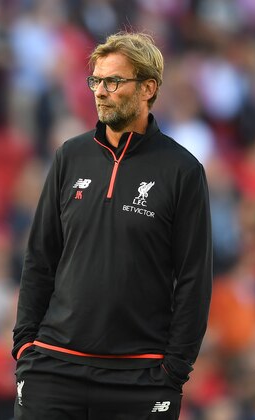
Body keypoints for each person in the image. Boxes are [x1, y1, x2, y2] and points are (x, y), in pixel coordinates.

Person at [12, 31, 212, 419]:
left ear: (148, 88)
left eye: (114, 81)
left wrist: (174, 370)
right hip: (53, 366)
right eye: (96, 81)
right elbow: (40, 258)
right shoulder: (70, 156)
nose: (101, 91)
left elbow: (194, 278)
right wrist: (24, 346)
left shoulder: (183, 171)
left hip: (141, 376)